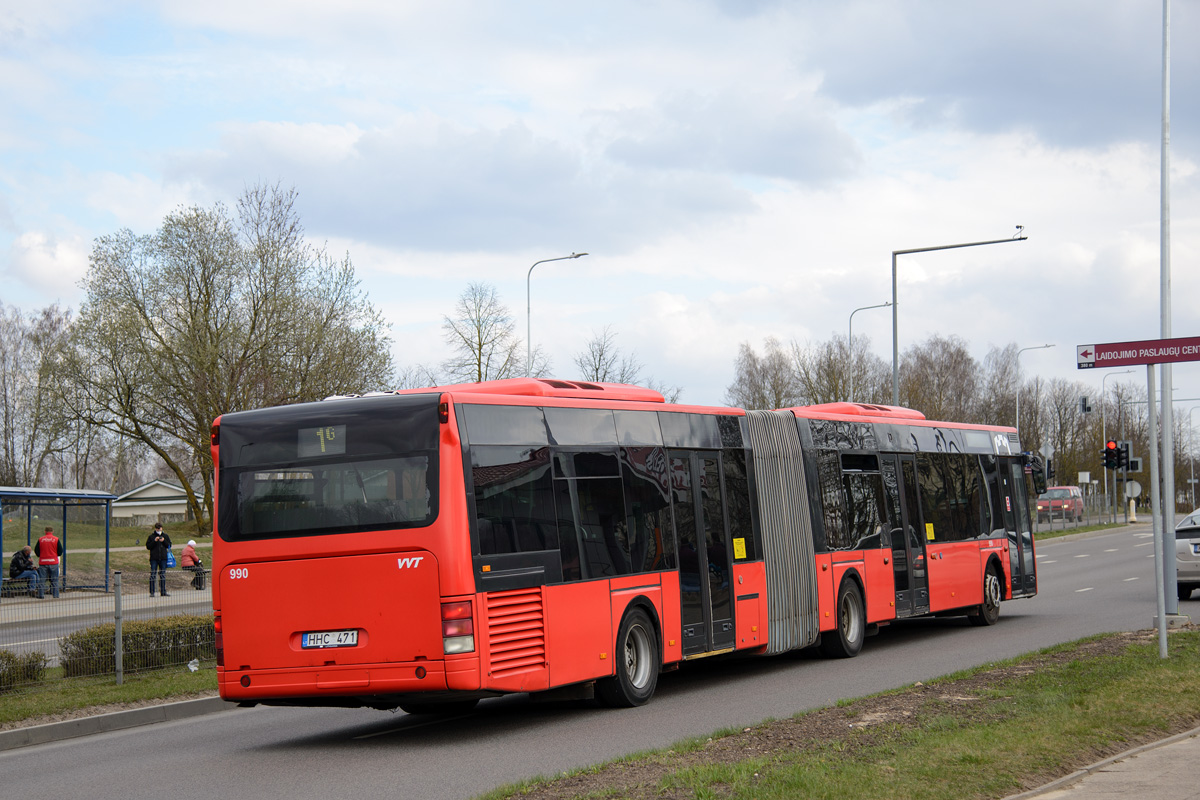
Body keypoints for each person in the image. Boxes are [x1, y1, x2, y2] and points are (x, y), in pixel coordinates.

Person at [35, 526, 63, 599]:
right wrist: (56, 555)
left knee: (42, 579)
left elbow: (36, 550)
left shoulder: (41, 539)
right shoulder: (56, 539)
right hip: (53, 562)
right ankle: (56, 595)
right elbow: (60, 551)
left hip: (43, 562)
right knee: (54, 580)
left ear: (45, 531)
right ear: (52, 531)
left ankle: (41, 595)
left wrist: (40, 555)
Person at [146, 522, 172, 597]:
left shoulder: (165, 536)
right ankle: (152, 592)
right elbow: (148, 546)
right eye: (157, 528)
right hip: (154, 558)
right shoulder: (151, 536)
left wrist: (163, 541)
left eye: (159, 528)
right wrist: (155, 541)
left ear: (162, 528)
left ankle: (163, 591)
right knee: (153, 575)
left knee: (163, 575)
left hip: (163, 558)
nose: (158, 530)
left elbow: (169, 545)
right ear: (155, 529)